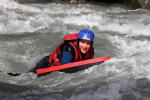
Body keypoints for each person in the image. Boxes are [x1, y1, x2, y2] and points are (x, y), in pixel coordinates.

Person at [28, 29, 95, 77]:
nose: (85, 46)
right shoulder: (69, 48)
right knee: (27, 77)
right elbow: (66, 67)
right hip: (46, 64)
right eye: (82, 42)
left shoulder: (91, 50)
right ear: (78, 42)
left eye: (88, 43)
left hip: (54, 68)